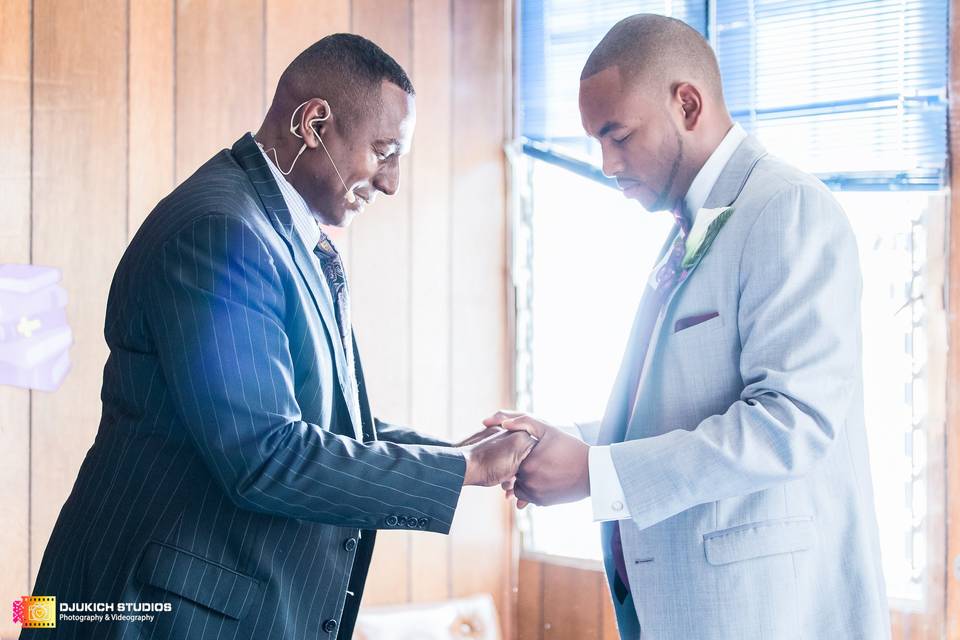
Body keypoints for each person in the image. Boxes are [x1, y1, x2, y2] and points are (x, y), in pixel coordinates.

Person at [23, 34, 534, 640]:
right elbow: (265, 455)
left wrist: (455, 454)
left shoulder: (272, 230)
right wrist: (465, 470)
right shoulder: (221, 232)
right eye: (384, 151)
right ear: (313, 122)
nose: (393, 181)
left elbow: (323, 428)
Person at [487, 14, 889, 639]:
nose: (605, 162)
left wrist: (597, 472)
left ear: (689, 104)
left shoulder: (786, 208)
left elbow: (792, 424)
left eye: (618, 134)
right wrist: (563, 442)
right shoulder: (691, 224)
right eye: (596, 140)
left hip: (767, 616)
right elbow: (687, 411)